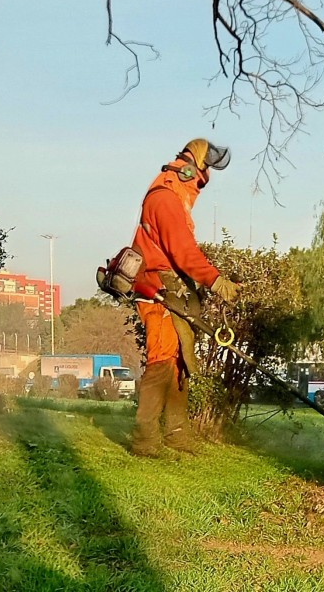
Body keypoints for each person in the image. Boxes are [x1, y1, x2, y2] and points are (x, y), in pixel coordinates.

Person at [129, 138, 241, 457]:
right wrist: (217, 282)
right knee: (162, 359)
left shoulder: (175, 194)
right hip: (157, 284)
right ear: (191, 169)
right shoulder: (165, 198)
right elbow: (182, 251)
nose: (205, 179)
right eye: (206, 171)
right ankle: (145, 439)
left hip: (172, 285)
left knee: (180, 361)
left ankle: (177, 435)